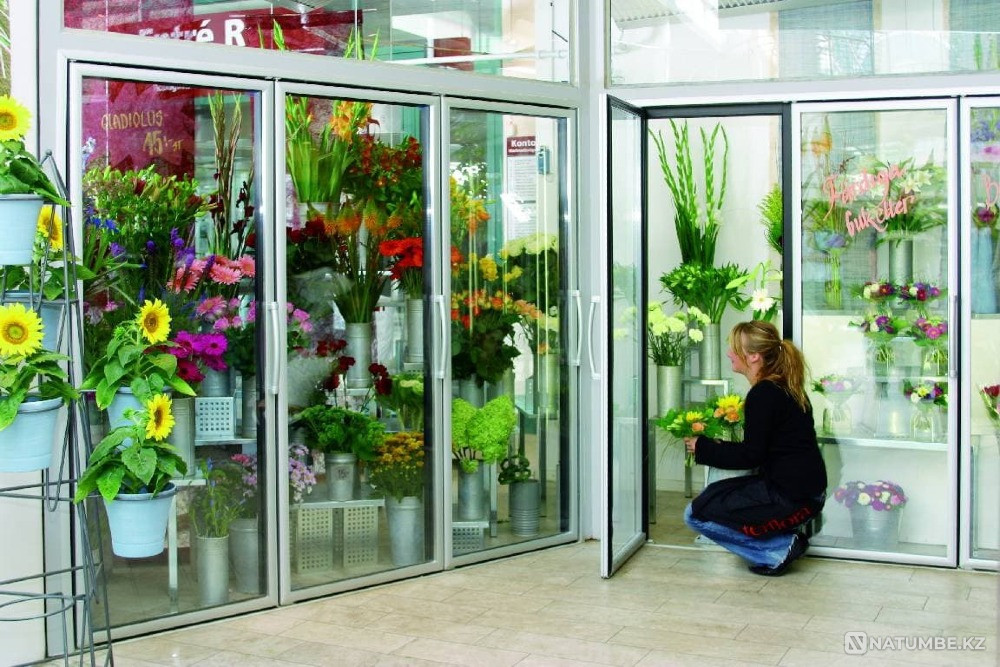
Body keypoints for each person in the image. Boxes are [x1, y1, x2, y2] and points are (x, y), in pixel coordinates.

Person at [683, 320, 827, 576]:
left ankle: (777, 549)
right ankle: (779, 543)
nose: (729, 353)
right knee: (715, 497)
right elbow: (765, 448)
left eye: (734, 348)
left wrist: (702, 447)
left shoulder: (764, 393)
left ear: (753, 357)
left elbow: (752, 455)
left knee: (695, 515)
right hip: (806, 492)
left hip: (793, 498)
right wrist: (716, 447)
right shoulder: (785, 386)